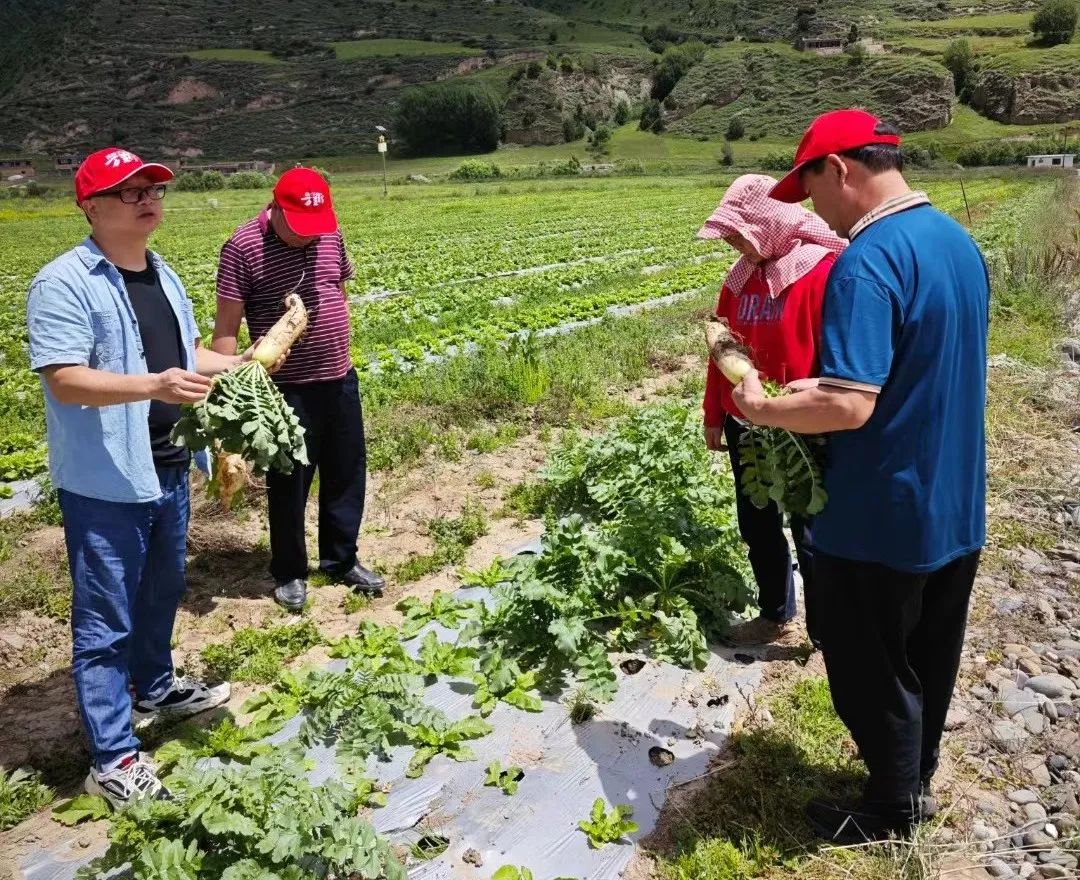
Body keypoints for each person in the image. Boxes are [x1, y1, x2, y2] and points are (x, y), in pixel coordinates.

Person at [733, 110, 989, 843]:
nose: (811, 207)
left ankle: (886, 810)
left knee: (867, 662)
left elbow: (848, 404)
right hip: (954, 503)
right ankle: (916, 779)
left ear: (839, 170)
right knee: (929, 654)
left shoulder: (868, 258)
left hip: (881, 512)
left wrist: (764, 405)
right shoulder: (954, 242)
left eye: (808, 188)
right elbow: (915, 366)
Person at [26, 148, 249, 806]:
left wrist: (244, 365)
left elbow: (188, 358)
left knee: (162, 590)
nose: (148, 197)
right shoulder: (64, 282)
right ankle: (114, 758)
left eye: (153, 187)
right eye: (130, 191)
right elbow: (65, 381)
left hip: (167, 466)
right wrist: (152, 385)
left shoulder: (163, 276)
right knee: (104, 622)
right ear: (91, 207)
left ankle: (156, 689)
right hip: (105, 483)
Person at [212, 168, 384, 612]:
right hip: (285, 388)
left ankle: (341, 559)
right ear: (276, 208)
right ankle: (289, 570)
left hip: (339, 377)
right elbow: (226, 330)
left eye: (317, 229)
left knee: (346, 472)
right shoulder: (242, 248)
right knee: (289, 483)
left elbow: (338, 291)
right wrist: (229, 385)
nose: (311, 237)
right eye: (300, 229)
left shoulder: (329, 233)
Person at [697, 174, 845, 649]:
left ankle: (828, 630)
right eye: (731, 236)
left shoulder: (821, 272)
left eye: (740, 232)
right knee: (756, 520)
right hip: (747, 424)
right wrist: (714, 413)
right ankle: (775, 613)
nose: (734, 243)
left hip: (803, 424)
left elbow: (840, 358)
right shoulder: (739, 281)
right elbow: (721, 352)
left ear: (768, 221)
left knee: (812, 528)